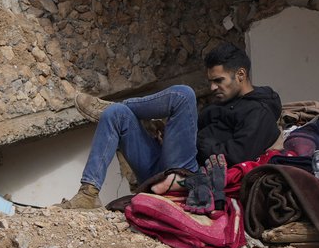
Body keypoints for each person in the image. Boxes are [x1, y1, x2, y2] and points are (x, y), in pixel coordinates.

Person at [60, 43, 281, 210]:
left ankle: (111, 107)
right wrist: (171, 136)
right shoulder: (218, 106)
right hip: (163, 167)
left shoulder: (260, 112)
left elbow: (236, 156)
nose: (212, 87)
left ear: (241, 75)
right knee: (118, 115)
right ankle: (88, 193)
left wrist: (192, 139)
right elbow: (190, 136)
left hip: (190, 176)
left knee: (184, 95)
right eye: (211, 81)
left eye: (219, 80)